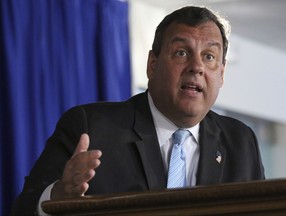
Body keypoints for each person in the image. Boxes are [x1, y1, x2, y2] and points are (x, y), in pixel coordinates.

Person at [11, 5, 265, 215]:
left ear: (221, 74)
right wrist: (58, 195)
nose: (196, 66)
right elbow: (22, 209)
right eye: (181, 52)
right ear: (152, 65)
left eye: (209, 56)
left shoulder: (240, 142)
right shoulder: (91, 127)